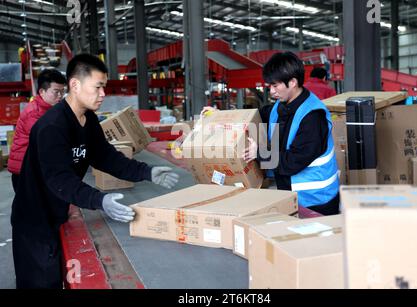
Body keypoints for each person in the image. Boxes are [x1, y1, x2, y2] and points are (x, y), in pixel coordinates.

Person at [11, 54, 179, 289]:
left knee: (55, 275)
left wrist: (147, 172)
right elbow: (59, 179)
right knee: (40, 281)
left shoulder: (87, 120)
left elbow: (106, 157)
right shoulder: (52, 126)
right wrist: (100, 200)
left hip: (56, 211)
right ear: (75, 85)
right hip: (34, 219)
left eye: (104, 87)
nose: (103, 94)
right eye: (98, 87)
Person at [202, 52, 339, 216]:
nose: (271, 91)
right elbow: (250, 118)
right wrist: (220, 115)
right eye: (269, 86)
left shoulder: (313, 117)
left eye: (275, 86)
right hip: (290, 194)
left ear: (293, 82)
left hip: (316, 201)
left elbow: (293, 161)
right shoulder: (279, 107)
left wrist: (259, 153)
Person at [8, 69, 67, 193]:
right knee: (30, 210)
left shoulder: (51, 109)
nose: (60, 96)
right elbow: (47, 141)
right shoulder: (34, 113)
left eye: (63, 91)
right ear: (42, 91)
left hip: (35, 167)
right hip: (24, 170)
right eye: (56, 92)